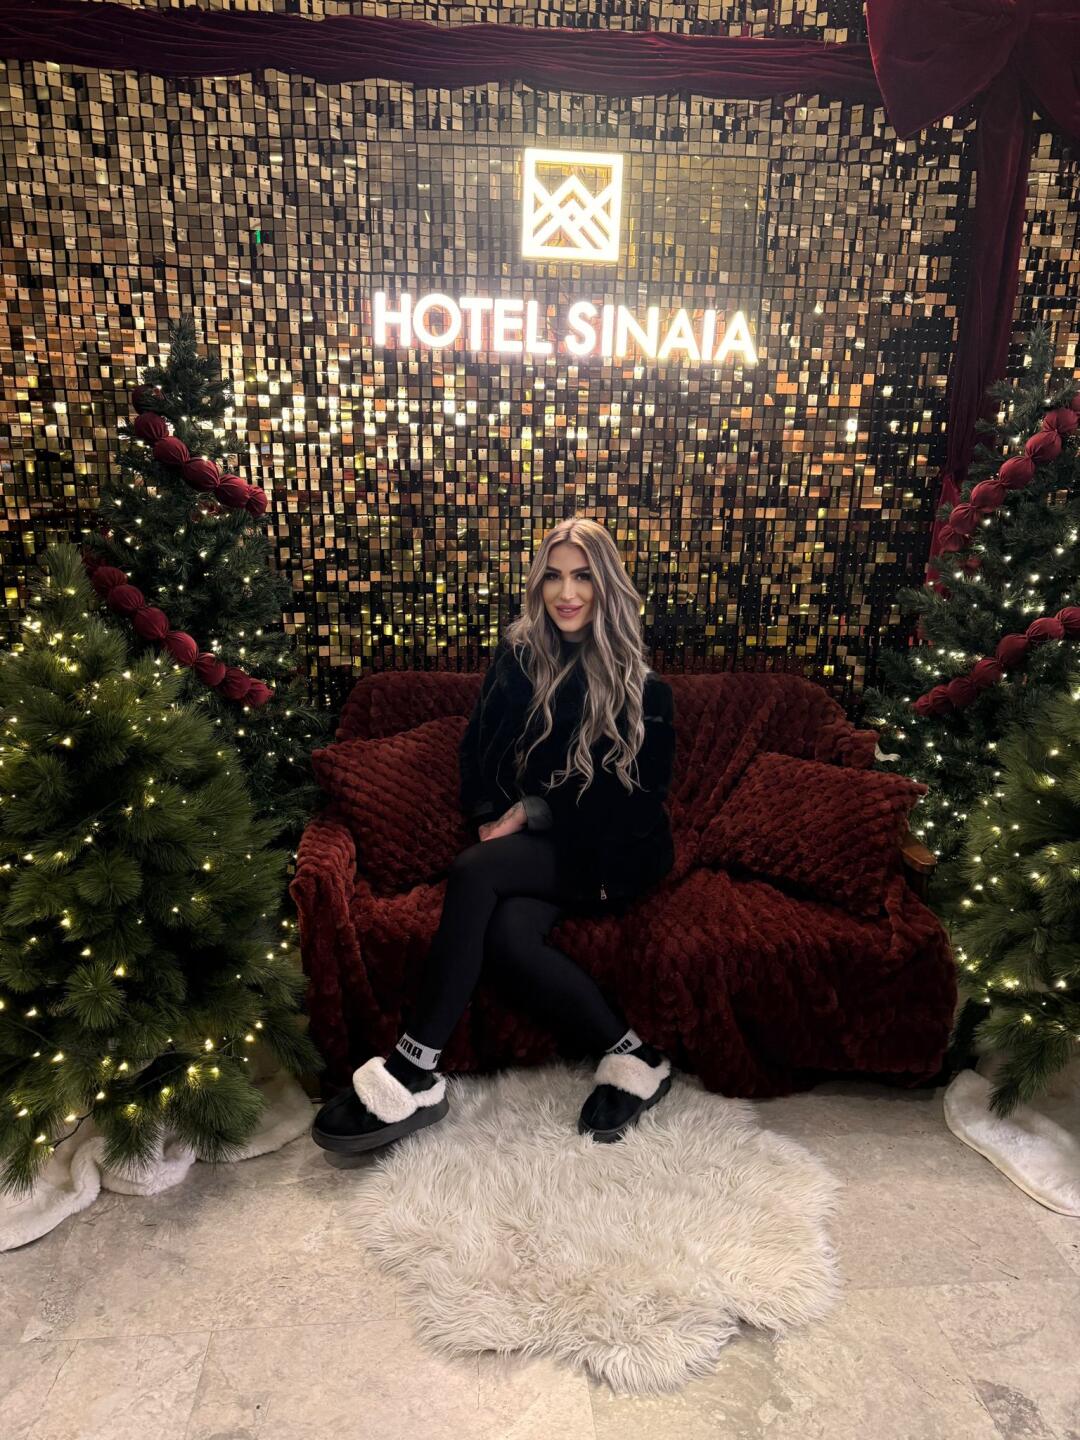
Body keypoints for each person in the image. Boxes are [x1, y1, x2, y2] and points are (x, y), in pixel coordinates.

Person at [312, 516, 677, 1155]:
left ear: (607, 586)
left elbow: (629, 807)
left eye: (583, 577)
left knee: (475, 870)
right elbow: (477, 751)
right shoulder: (518, 661)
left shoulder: (643, 691)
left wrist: (530, 814)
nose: (567, 593)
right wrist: (491, 812)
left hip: (612, 854)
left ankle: (413, 1067)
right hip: (539, 846)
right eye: (553, 577)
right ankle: (637, 1056)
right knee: (508, 936)